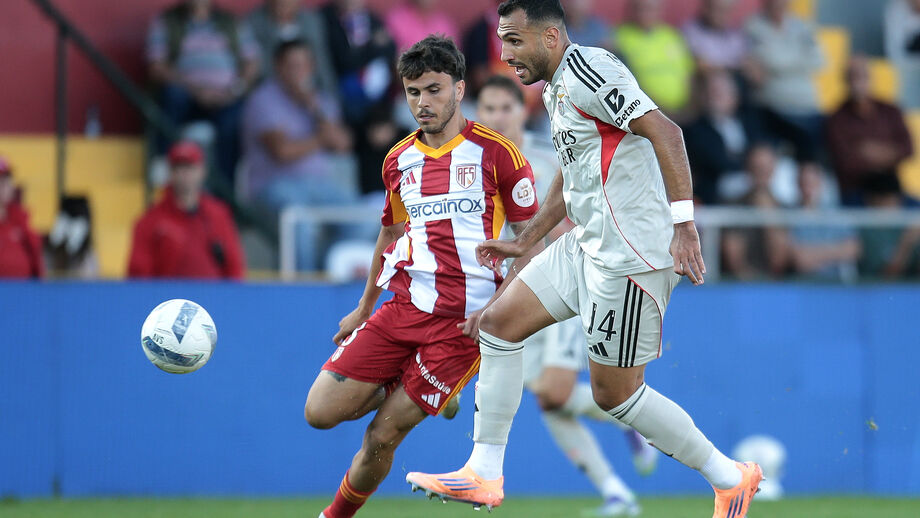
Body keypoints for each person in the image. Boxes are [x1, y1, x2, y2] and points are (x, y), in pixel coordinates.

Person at [406, 2, 764, 518]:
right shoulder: (554, 89)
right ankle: (483, 473)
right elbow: (572, 173)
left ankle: (729, 478)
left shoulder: (591, 71)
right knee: (498, 326)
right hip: (586, 245)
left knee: (615, 396)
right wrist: (528, 239)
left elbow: (667, 132)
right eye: (503, 42)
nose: (505, 55)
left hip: (630, 257)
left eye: (514, 41)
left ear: (551, 37)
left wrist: (685, 225)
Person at [303, 36, 541, 518]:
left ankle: (334, 516)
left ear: (459, 89)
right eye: (413, 92)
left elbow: (530, 242)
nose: (422, 103)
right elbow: (390, 232)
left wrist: (499, 309)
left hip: (462, 327)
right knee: (320, 412)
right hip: (403, 308)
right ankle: (406, 383)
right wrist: (364, 307)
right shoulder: (397, 160)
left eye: (433, 90)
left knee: (380, 437)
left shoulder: (499, 155)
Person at [476, 74, 658, 516]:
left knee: (555, 393)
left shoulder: (546, 157)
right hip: (508, 295)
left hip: (558, 286)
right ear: (477, 114)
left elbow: (580, 215)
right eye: (489, 109)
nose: (498, 117)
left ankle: (636, 419)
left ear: (523, 111)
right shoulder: (475, 167)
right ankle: (616, 491)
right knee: (547, 400)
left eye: (507, 107)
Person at [240, 39, 356, 271]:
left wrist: (313, 109)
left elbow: (344, 143)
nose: (298, 71)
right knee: (299, 221)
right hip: (272, 188)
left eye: (303, 65)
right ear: (278, 67)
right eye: (292, 65)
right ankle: (305, 287)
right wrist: (322, 139)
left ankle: (326, 270)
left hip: (321, 186)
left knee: (361, 216)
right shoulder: (263, 100)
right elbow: (282, 152)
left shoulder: (319, 100)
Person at [146, 0, 261, 184]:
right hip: (186, 96)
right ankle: (163, 164)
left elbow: (252, 63)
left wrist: (234, 90)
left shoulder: (231, 22)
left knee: (235, 118)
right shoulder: (167, 21)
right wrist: (195, 90)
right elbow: (157, 67)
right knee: (172, 95)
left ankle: (226, 186)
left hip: (226, 96)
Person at [128, 141, 245, 279]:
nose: (184, 174)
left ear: (202, 171)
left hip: (213, 296)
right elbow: (138, 276)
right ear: (170, 172)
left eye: (189, 167)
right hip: (168, 297)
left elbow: (234, 268)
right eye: (178, 167)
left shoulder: (219, 214)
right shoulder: (150, 221)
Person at [319, 0, 400, 195]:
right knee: (362, 128)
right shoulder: (327, 18)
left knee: (393, 126)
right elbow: (343, 61)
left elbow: (390, 48)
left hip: (379, 100)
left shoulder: (372, 18)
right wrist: (373, 46)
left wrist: (363, 53)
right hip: (343, 99)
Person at [825, 56, 914, 206]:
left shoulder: (890, 111)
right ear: (845, 81)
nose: (858, 83)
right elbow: (845, 161)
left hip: (891, 188)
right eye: (853, 77)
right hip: (857, 191)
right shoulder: (837, 119)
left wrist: (872, 151)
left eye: (862, 76)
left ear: (870, 78)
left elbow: (908, 149)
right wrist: (889, 153)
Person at [744, 0, 824, 163]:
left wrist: (776, 65)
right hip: (773, 109)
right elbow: (768, 58)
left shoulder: (802, 26)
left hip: (807, 107)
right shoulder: (753, 27)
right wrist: (799, 61)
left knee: (817, 157)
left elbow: (819, 60)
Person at [683, 69, 762, 204]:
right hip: (716, 192)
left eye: (720, 92)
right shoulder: (694, 130)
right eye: (712, 91)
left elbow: (762, 148)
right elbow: (713, 161)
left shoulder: (750, 123)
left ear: (735, 96)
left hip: (753, 182)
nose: (715, 96)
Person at [721, 145, 791, 279]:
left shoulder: (785, 208)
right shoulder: (733, 206)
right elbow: (734, 259)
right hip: (742, 285)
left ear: (773, 169)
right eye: (757, 167)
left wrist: (768, 213)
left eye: (765, 167)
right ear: (748, 168)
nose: (761, 172)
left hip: (776, 284)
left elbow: (779, 259)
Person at [613, 0, 695, 114]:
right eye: (642, 8)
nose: (647, 13)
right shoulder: (619, 38)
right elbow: (625, 84)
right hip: (644, 112)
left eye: (652, 8)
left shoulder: (671, 35)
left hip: (684, 111)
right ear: (632, 10)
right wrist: (658, 109)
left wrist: (689, 107)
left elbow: (688, 74)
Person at [788, 164, 861, 281]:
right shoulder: (787, 216)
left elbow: (853, 249)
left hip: (835, 285)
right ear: (797, 185)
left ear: (821, 183)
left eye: (812, 183)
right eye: (804, 183)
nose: (808, 188)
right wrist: (836, 251)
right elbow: (800, 260)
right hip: (802, 285)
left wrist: (814, 254)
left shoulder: (837, 214)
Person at [246, 0, 338, 94]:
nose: (283, 3)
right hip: (274, 90)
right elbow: (262, 69)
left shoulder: (311, 21)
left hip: (311, 87)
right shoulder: (254, 24)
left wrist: (331, 97)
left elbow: (322, 63)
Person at [0, 158, 44, 279]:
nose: (6, 186)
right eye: (1, 182)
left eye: (7, 181)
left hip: (23, 291)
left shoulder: (19, 217)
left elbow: (35, 250)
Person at [682, 0, 748, 74]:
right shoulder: (691, 32)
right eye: (719, 10)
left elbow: (746, 65)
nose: (722, 15)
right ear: (706, 9)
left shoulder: (735, 37)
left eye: (726, 11)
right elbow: (701, 66)